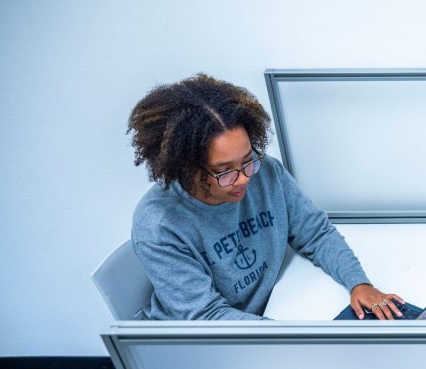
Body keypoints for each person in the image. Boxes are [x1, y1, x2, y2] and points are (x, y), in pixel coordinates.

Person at [128, 73, 403, 320]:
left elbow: (315, 233)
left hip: (272, 310)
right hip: (205, 344)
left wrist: (358, 282)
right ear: (185, 167)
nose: (245, 178)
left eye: (248, 160)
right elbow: (208, 318)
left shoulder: (266, 172)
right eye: (224, 172)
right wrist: (298, 342)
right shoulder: (159, 225)